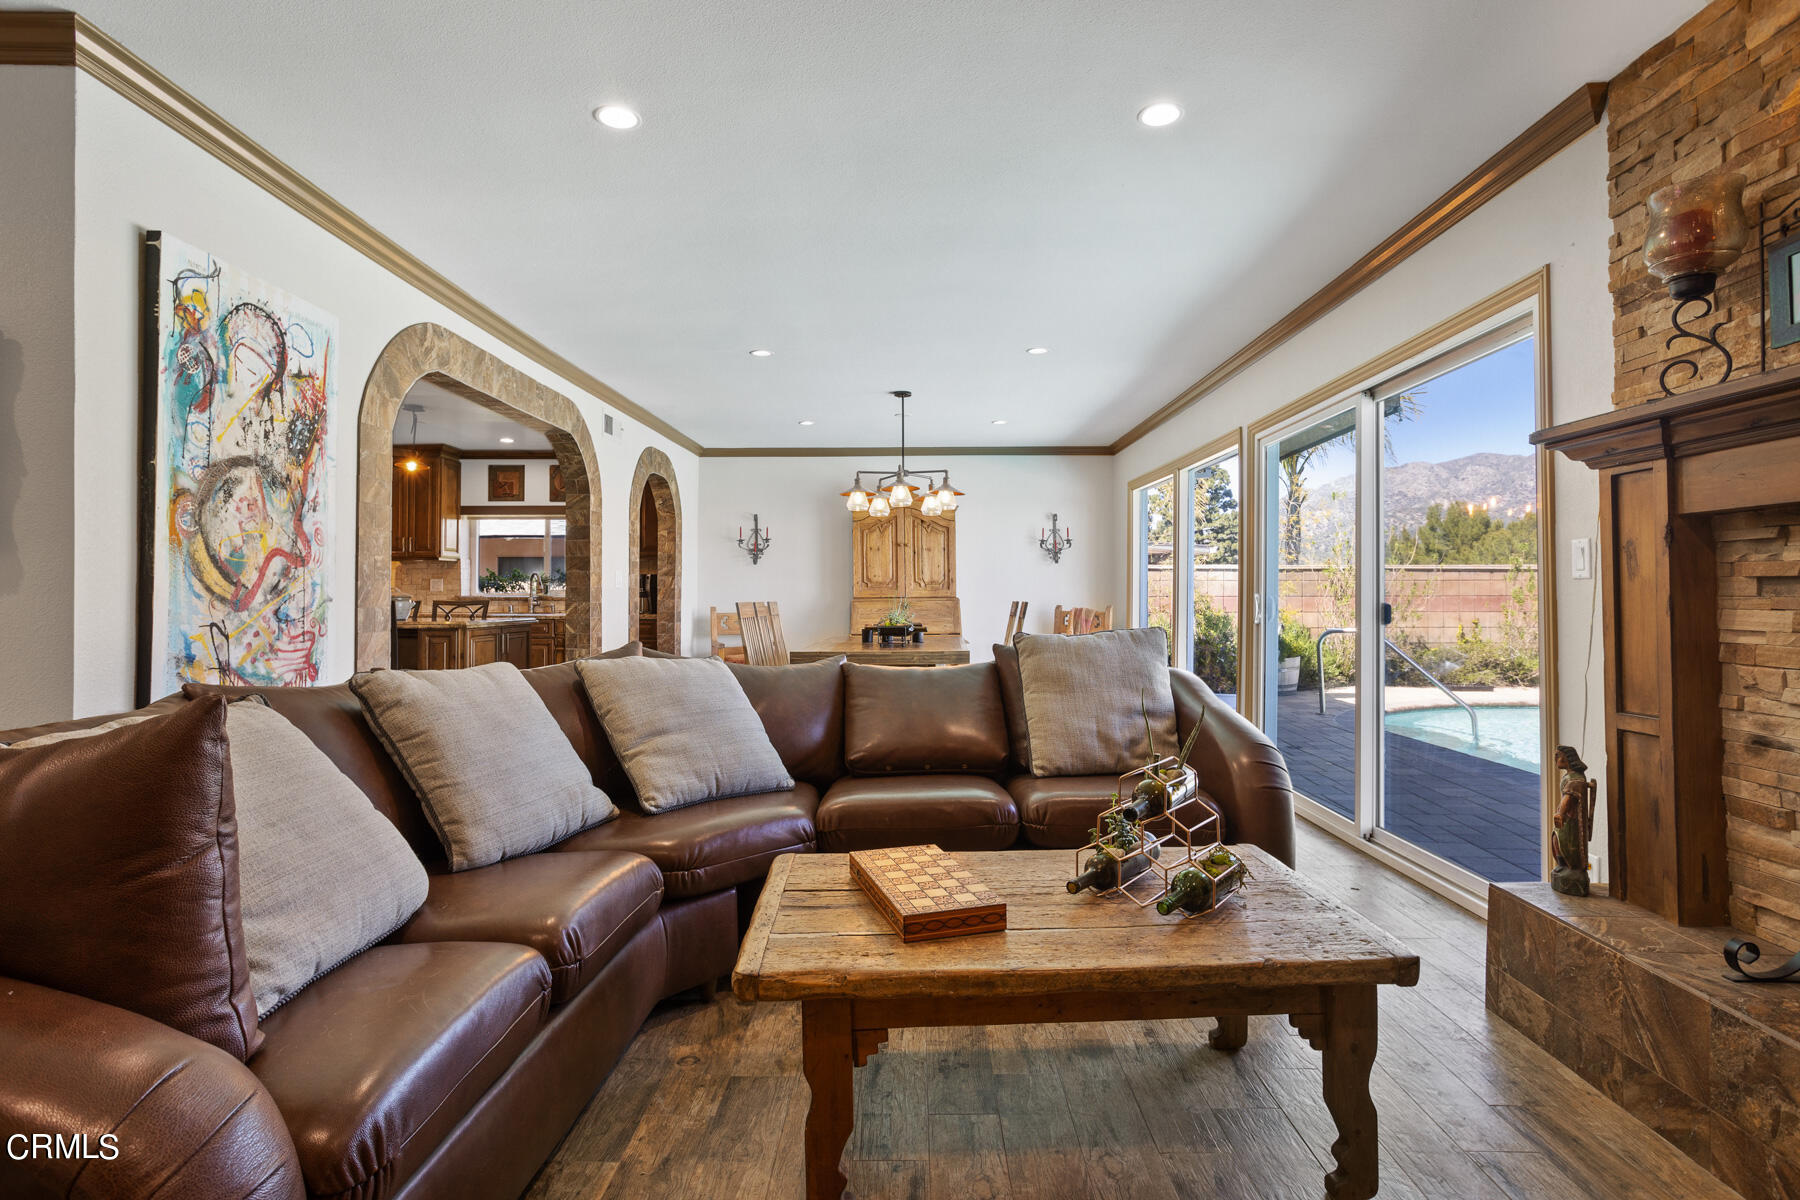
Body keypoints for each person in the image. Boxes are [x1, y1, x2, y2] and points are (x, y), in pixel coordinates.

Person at [1551, 745, 1592, 897]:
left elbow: (1568, 797)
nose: (1556, 759)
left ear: (1568, 758)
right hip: (1567, 818)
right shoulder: (1570, 776)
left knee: (1567, 843)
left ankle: (1572, 868)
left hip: (1571, 820)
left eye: (1559, 756)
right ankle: (1563, 865)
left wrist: (1560, 813)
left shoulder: (1576, 779)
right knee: (1557, 840)